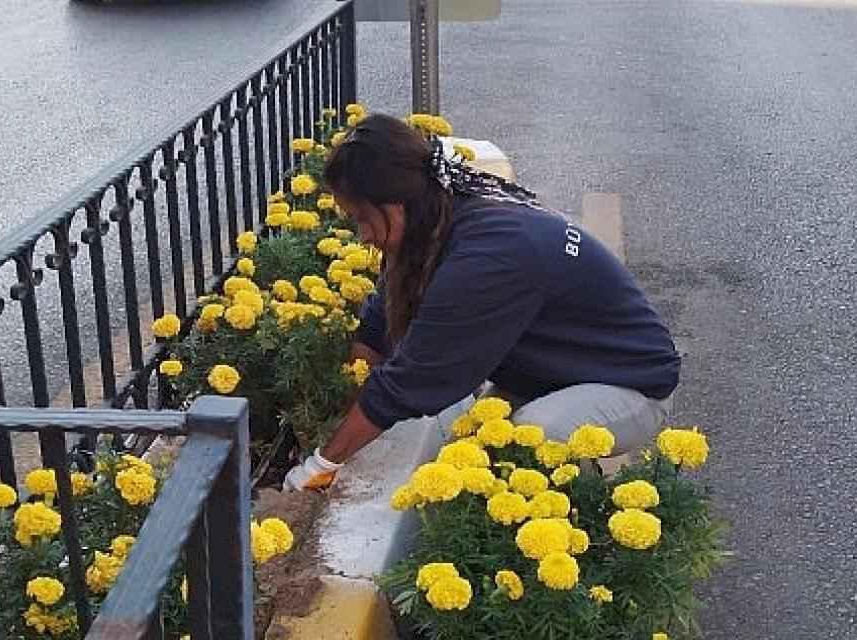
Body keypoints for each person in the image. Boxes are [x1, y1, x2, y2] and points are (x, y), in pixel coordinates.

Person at [283, 114, 680, 491]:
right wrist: (347, 394)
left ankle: (585, 534)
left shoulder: (488, 257)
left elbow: (411, 380)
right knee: (472, 451)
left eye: (364, 218)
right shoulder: (439, 211)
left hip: (628, 384)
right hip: (558, 373)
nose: (363, 235)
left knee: (528, 440)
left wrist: (322, 465)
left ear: (397, 203)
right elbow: (377, 322)